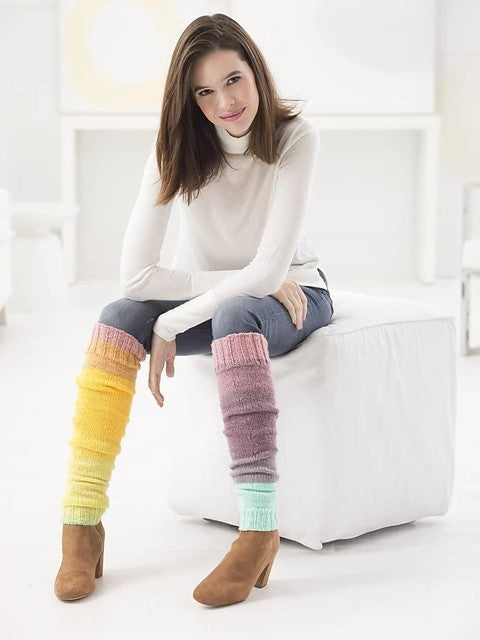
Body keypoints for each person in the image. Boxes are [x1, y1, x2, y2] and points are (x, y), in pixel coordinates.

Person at [54, 13, 334, 607]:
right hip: (236, 290)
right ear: (189, 100)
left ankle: (258, 531)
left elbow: (272, 272)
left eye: (234, 80)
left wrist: (173, 319)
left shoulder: (295, 137)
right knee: (117, 316)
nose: (225, 103)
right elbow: (136, 277)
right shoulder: (177, 149)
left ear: (256, 71)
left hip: (297, 293)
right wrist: (228, 287)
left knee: (235, 316)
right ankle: (81, 523)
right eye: (205, 92)